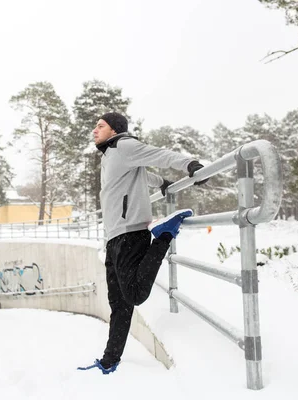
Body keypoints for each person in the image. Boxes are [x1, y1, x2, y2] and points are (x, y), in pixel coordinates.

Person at [78, 112, 208, 374]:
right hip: (114, 238)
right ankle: (109, 360)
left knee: (135, 295)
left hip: (130, 233)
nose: (95, 130)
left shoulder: (123, 145)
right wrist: (162, 183)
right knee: (119, 305)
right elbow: (140, 175)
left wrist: (190, 164)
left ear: (114, 130)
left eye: (100, 126)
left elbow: (158, 154)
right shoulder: (110, 156)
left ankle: (163, 236)